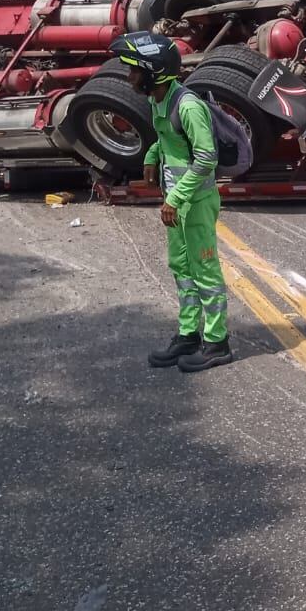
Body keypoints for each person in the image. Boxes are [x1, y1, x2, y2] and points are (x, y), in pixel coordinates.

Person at [110, 30, 233, 374]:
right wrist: (151, 156)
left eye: (134, 70)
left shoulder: (188, 106)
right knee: (181, 269)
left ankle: (217, 342)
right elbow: (167, 143)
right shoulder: (157, 100)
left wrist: (175, 198)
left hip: (194, 202)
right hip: (176, 204)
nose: (129, 76)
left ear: (153, 72)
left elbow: (206, 157)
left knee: (205, 270)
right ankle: (188, 333)